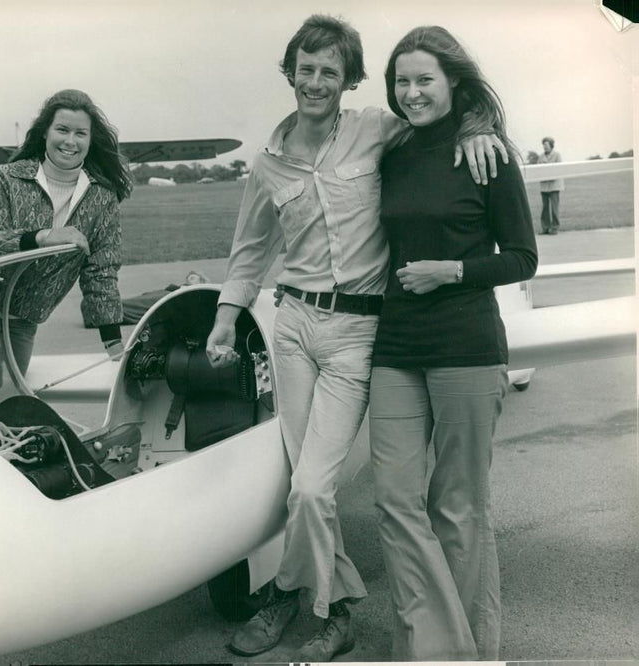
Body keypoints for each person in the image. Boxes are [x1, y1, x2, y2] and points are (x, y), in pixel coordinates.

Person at [205, 15, 505, 663]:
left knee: (315, 486)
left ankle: (293, 591)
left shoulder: (378, 129)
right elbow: (249, 253)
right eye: (306, 69)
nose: (316, 82)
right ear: (291, 72)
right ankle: (329, 608)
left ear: (350, 81)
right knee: (299, 478)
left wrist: (481, 128)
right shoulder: (268, 163)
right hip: (292, 329)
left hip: (357, 332)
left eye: (330, 72)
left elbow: (443, 107)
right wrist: (227, 318)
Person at [369, 26, 538, 660]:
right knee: (395, 502)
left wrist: (452, 270)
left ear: (453, 84)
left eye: (424, 81)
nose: (411, 93)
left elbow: (523, 257)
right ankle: (431, 649)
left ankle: (475, 653)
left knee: (460, 507)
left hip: (466, 344)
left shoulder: (487, 155)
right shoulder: (393, 153)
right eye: (401, 82)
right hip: (395, 347)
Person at [0, 89, 132, 429]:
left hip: (18, 324)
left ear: (91, 140)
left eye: (80, 133)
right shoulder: (9, 177)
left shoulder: (102, 197)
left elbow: (102, 269)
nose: (70, 141)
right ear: (45, 133)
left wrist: (112, 341)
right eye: (62, 130)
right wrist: (42, 237)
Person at [538, 136, 564, 234]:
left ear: (551, 145)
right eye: (543, 145)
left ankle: (554, 228)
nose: (544, 147)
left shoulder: (557, 155)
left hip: (554, 186)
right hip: (544, 187)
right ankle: (545, 227)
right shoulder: (541, 157)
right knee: (545, 208)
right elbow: (538, 169)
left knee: (554, 208)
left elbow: (559, 169)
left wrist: (550, 175)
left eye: (546, 145)